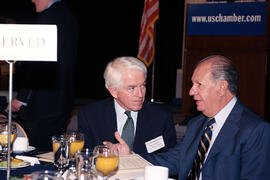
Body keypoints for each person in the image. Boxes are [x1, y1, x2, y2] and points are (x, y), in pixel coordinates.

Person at [104, 55, 270, 179]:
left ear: (221, 88)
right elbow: (171, 161)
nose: (191, 91)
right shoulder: (197, 124)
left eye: (198, 84)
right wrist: (130, 156)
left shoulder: (255, 130)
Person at [11, 0, 79, 151]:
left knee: (33, 154)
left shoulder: (48, 18)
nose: (32, 0)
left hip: (43, 104)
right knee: (51, 153)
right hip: (62, 101)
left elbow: (38, 62)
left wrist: (22, 97)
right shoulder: (68, 17)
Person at [78, 56, 176, 154]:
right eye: (131, 88)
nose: (140, 95)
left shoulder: (161, 116)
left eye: (143, 86)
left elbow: (171, 160)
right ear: (113, 91)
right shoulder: (90, 115)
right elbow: (85, 157)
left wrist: (132, 156)